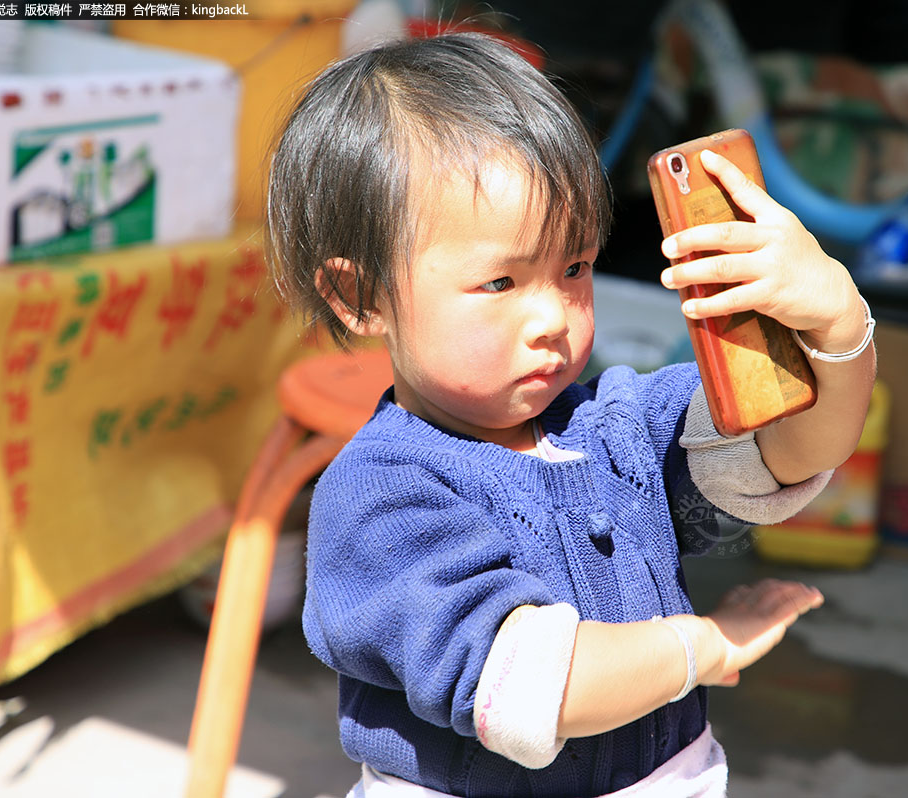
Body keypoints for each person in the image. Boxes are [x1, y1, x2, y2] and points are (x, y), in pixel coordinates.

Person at [266, 31, 875, 798]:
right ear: (360, 297)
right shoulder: (379, 498)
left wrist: (837, 325)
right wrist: (706, 645)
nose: (552, 317)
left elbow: (793, 446)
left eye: (574, 268)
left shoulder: (613, 425)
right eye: (500, 282)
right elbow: (531, 689)